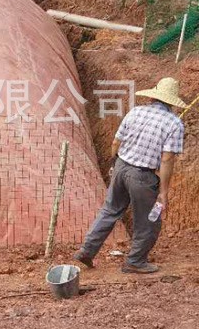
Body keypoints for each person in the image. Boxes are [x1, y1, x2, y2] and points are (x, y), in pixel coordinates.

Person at [74, 77, 187, 274]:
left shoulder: (136, 112)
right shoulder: (174, 124)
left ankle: (87, 250)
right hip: (142, 176)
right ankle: (135, 261)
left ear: (154, 96)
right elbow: (167, 159)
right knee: (147, 220)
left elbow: (116, 143)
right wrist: (164, 191)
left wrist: (114, 164)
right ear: (172, 102)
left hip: (121, 166)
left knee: (110, 210)